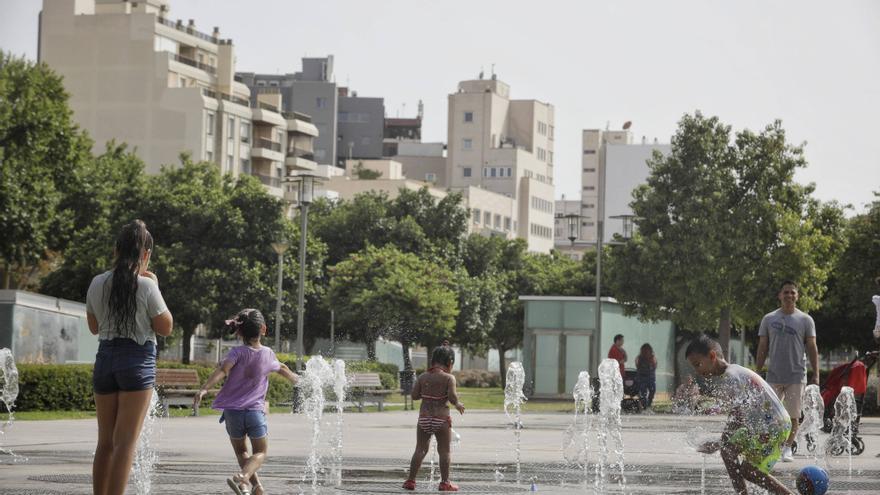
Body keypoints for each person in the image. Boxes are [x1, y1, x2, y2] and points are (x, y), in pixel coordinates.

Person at [87, 219, 173, 495]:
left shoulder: (97, 282)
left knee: (105, 443)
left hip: (105, 359)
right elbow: (165, 327)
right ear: (145, 254)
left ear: (116, 250)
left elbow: (94, 327)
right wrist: (156, 285)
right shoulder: (146, 286)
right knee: (125, 443)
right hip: (136, 361)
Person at [193, 308, 299, 495]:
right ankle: (243, 477)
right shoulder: (268, 354)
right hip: (254, 413)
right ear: (263, 329)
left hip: (233, 413)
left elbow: (222, 370)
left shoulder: (236, 353)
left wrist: (204, 389)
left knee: (241, 451)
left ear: (239, 332)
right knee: (260, 452)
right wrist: (301, 382)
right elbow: (282, 368)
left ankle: (252, 488)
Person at [686, 334, 794, 495]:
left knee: (749, 470)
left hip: (773, 427)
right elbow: (739, 414)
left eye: (697, 364)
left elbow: (738, 415)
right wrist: (722, 443)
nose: (697, 371)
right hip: (763, 425)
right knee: (728, 451)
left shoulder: (731, 376)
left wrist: (719, 442)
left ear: (712, 356)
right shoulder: (732, 372)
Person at [756, 280, 819, 462]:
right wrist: (758, 371)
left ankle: (787, 448)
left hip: (796, 375)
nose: (789, 295)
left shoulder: (806, 320)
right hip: (774, 375)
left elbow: (812, 347)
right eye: (786, 292)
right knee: (770, 415)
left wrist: (816, 373)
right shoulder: (769, 319)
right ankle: (773, 446)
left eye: (792, 292)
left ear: (797, 296)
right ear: (780, 295)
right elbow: (762, 346)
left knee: (793, 415)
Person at [403, 343, 465, 492]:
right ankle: (445, 483)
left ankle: (410, 481)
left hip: (424, 418)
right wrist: (457, 404)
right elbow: (452, 397)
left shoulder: (423, 377)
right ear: (450, 363)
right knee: (444, 451)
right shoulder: (449, 378)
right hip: (441, 419)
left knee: (420, 449)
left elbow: (415, 396)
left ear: (432, 362)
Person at [635, 343, 657, 409]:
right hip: (643, 377)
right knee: (643, 392)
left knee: (650, 391)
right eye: (645, 350)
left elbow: (654, 365)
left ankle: (647, 404)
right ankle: (645, 405)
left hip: (648, 377)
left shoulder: (652, 357)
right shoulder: (640, 358)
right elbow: (655, 365)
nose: (646, 352)